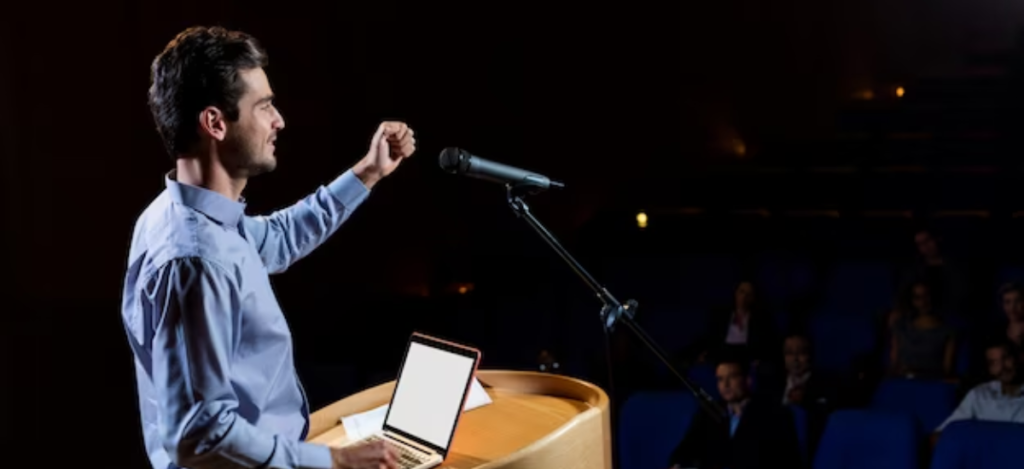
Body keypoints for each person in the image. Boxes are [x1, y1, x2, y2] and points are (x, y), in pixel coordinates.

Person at [120, 27, 414, 469]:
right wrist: (336, 462)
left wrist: (368, 172)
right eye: (264, 106)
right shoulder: (195, 259)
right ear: (215, 123)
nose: (279, 120)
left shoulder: (181, 214)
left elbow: (278, 238)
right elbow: (198, 434)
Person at [667, 353, 802, 469]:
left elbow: (788, 460)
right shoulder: (708, 413)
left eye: (732, 377)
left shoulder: (773, 414)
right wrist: (678, 464)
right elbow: (685, 449)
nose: (725, 385)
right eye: (720, 379)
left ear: (748, 380)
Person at [931, 338, 1024, 447]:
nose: (1001, 367)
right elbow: (944, 431)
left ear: (1019, 358)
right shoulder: (979, 394)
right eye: (993, 363)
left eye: (1006, 358)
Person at [888, 281, 957, 380]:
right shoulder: (902, 326)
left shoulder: (947, 331)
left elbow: (947, 369)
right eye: (917, 298)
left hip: (931, 381)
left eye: (927, 296)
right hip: (904, 379)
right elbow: (894, 362)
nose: (923, 302)